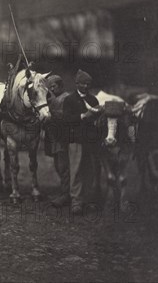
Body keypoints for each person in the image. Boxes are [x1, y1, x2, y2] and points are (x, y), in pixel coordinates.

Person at [63, 69, 102, 214]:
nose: (86, 86)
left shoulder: (93, 100)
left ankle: (88, 199)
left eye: (88, 84)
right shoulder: (70, 100)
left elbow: (97, 120)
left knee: (89, 169)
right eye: (83, 84)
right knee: (76, 169)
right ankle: (76, 201)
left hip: (91, 141)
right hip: (76, 140)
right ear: (76, 83)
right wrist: (83, 116)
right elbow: (65, 120)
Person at [44, 75, 71, 207]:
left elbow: (66, 117)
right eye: (49, 88)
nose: (51, 90)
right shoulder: (52, 99)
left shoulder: (67, 98)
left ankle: (66, 195)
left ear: (60, 86)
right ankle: (64, 192)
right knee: (58, 166)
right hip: (53, 138)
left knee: (63, 167)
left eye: (53, 87)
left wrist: (52, 115)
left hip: (62, 138)